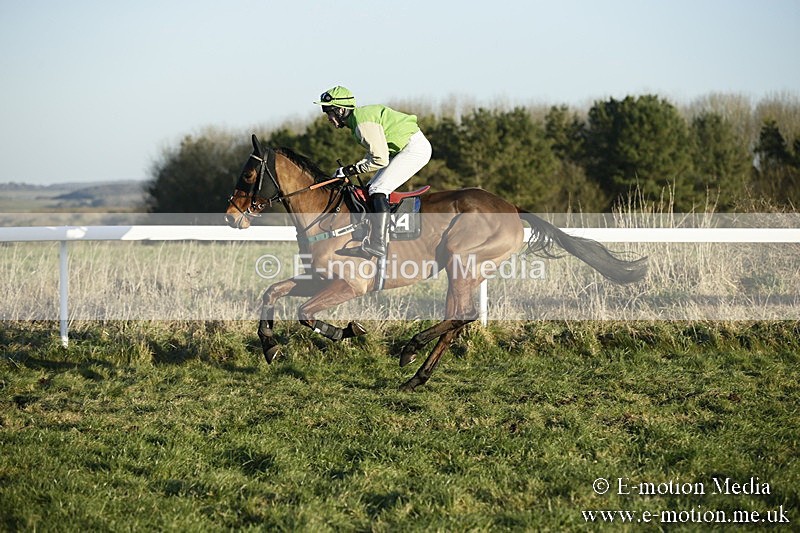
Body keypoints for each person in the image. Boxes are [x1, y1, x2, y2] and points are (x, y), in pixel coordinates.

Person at [314, 86, 432, 259]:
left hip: (414, 149)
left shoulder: (361, 123)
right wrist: (351, 170)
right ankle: (371, 239)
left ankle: (378, 244)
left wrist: (350, 170)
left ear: (340, 110)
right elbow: (375, 154)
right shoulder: (357, 120)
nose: (328, 118)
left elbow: (380, 160)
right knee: (371, 189)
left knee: (378, 190)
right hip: (403, 149)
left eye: (329, 112)